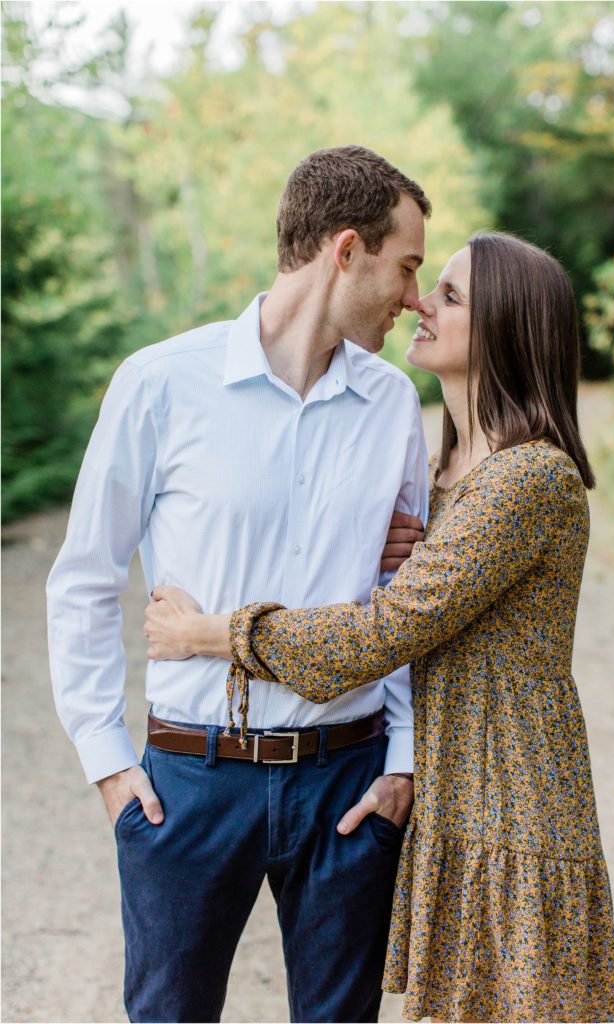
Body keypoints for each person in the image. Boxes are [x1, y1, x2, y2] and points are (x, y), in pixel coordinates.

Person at [145, 233, 614, 1023]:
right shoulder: (456, 479)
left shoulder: (529, 476)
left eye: (449, 295)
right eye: (424, 283)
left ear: (505, 326)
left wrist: (210, 635)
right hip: (458, 807)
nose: (418, 302)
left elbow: (384, 632)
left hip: (513, 808)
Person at [46, 145, 433, 1024]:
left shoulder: (391, 407)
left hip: (349, 784)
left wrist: (402, 764)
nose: (413, 295)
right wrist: (107, 763)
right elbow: (85, 578)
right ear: (345, 250)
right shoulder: (159, 384)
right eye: (405, 265)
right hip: (189, 781)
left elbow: (403, 603)